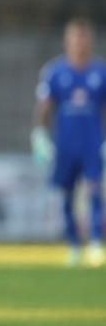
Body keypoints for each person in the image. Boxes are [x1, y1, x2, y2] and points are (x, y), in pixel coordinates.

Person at [33, 18, 105, 268]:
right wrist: (39, 136)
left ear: (90, 41)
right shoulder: (55, 72)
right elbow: (45, 107)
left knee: (95, 191)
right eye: (75, 38)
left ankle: (96, 242)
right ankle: (73, 244)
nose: (79, 43)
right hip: (65, 145)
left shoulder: (100, 72)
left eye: (83, 38)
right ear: (67, 41)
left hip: (92, 143)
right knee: (66, 195)